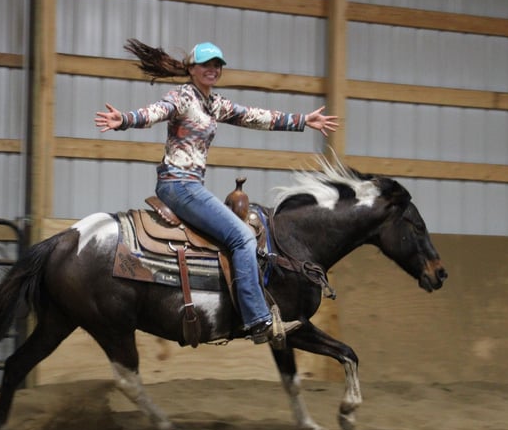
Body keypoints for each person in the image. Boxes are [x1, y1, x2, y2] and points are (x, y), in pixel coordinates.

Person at [95, 39, 339, 344]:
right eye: (206, 65)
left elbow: (256, 116)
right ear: (192, 69)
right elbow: (156, 111)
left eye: (217, 65)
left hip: (190, 186)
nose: (212, 70)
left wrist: (303, 121)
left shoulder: (214, 103)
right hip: (178, 185)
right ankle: (257, 320)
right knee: (242, 237)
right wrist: (124, 120)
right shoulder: (182, 97)